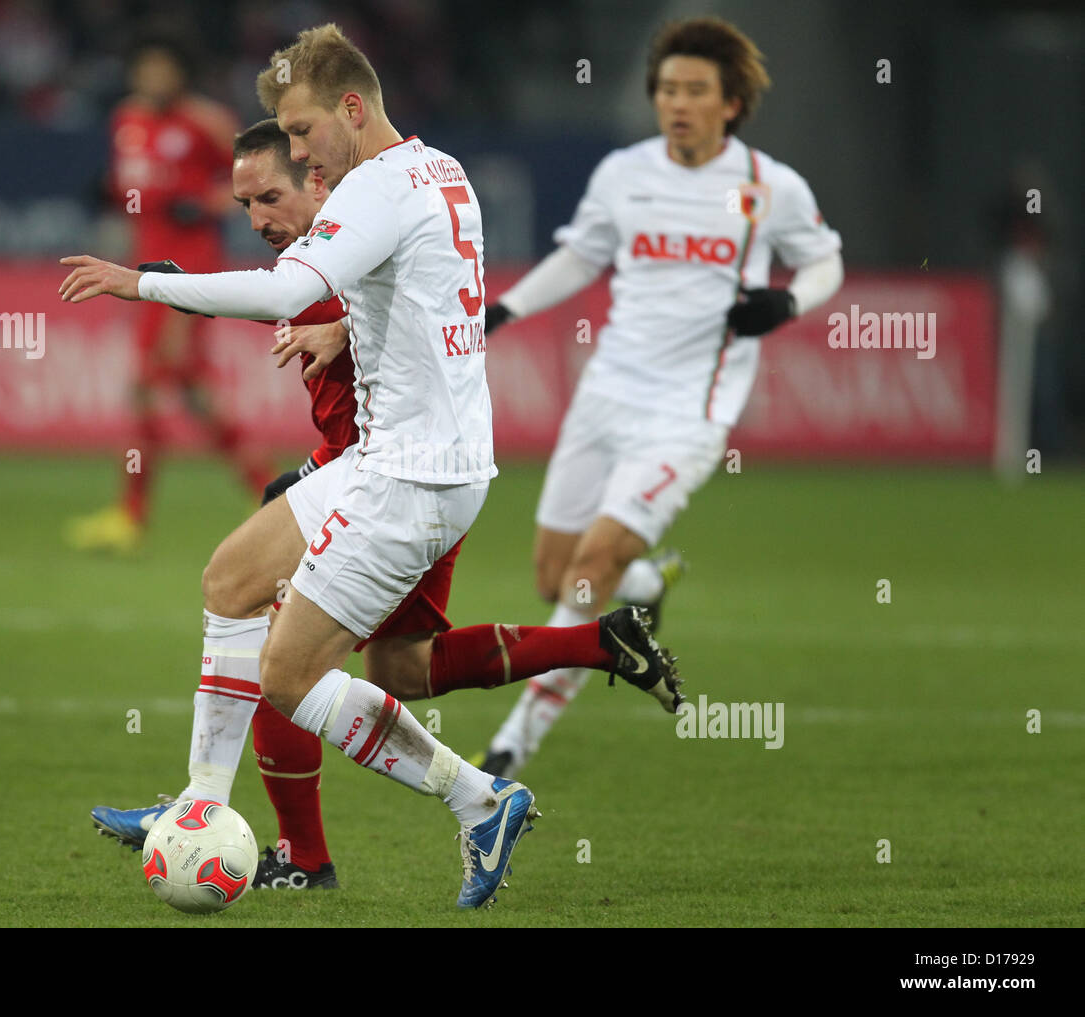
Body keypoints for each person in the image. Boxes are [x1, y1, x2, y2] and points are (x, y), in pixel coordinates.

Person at [61, 25, 681, 908]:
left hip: (415, 474)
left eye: (306, 132)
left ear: (352, 108)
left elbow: (281, 287)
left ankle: (482, 799)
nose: (302, 153)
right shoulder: (442, 170)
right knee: (231, 578)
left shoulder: (382, 184)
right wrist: (345, 325)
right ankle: (200, 805)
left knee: (292, 674)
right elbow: (419, 293)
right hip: (400, 454)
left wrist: (146, 280)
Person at [475, 16, 845, 779]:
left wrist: (785, 305)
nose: (677, 102)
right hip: (604, 396)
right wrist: (507, 307)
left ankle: (515, 742)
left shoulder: (770, 187)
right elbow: (582, 254)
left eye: (695, 90)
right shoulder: (624, 172)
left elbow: (825, 261)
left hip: (686, 416)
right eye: (667, 89)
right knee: (556, 577)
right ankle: (645, 583)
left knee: (589, 570)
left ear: (732, 103)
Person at [65, 37, 271, 554]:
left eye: (162, 68)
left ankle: (130, 515)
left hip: (189, 275)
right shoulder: (126, 120)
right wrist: (109, 193)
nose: (152, 78)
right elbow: (129, 186)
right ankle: (267, 492)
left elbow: (259, 175)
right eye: (145, 68)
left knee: (150, 385)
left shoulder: (207, 122)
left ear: (180, 73)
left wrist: (206, 200)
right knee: (190, 392)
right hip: (142, 275)